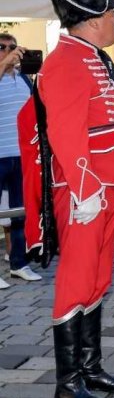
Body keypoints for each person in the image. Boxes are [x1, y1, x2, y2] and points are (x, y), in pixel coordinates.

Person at [37, 0, 114, 398]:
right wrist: (84, 188)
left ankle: (91, 365)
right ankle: (67, 382)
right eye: (112, 15)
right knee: (76, 279)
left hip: (109, 184)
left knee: (99, 278)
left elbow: (113, 125)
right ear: (92, 18)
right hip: (86, 190)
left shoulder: (95, 59)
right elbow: (66, 134)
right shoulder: (64, 61)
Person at [0, 33, 41, 284]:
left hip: (20, 155)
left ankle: (19, 263)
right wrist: (4, 65)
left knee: (20, 212)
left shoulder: (24, 79)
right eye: (2, 47)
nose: (9, 51)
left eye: (13, 47)